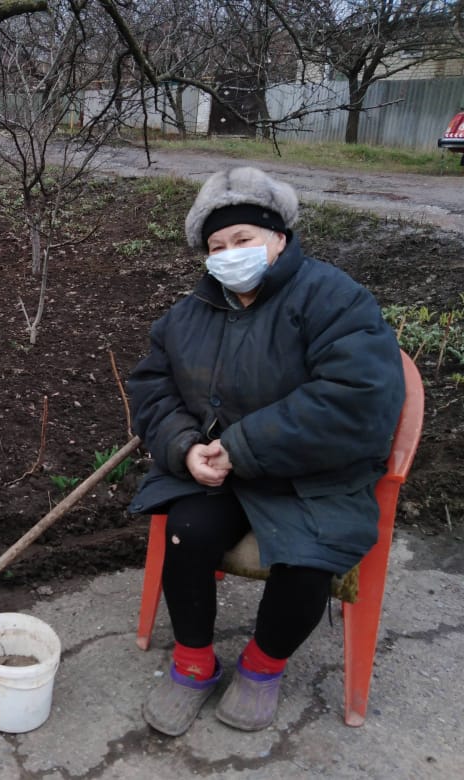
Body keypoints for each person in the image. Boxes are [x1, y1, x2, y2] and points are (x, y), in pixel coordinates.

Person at [127, 167, 405, 737]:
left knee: (308, 556)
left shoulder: (335, 299)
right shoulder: (189, 316)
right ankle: (194, 664)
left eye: (244, 240)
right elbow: (153, 388)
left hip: (317, 475)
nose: (231, 255)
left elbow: (358, 399)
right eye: (217, 246)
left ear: (279, 238)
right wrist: (185, 448)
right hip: (224, 472)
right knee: (187, 528)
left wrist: (242, 446)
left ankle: (262, 667)